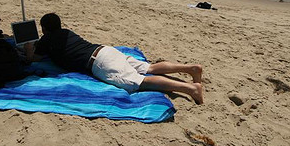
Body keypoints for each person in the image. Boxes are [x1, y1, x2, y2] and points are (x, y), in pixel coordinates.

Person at [23, 13, 204, 104]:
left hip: (100, 62)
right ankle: (190, 68)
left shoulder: (46, 40)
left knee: (140, 82)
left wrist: (29, 47)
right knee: (149, 67)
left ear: (44, 29)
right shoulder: (66, 32)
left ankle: (190, 88)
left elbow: (33, 59)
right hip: (106, 51)